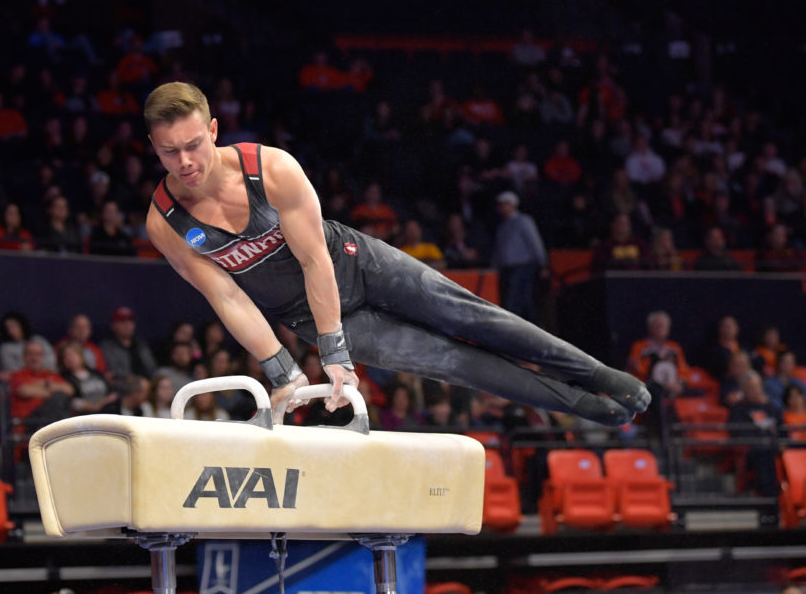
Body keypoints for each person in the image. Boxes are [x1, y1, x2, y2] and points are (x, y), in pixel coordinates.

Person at [142, 82, 649, 426]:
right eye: (170, 151)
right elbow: (226, 296)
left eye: (193, 145)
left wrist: (334, 350)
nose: (185, 162)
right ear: (153, 147)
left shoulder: (270, 169)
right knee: (457, 364)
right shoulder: (165, 222)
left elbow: (315, 258)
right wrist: (282, 370)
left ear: (212, 131)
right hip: (304, 315)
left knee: (479, 320)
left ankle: (598, 374)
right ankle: (586, 406)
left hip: (360, 266)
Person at [491, 191, 548, 322]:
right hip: (508, 269)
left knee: (516, 300)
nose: (501, 207)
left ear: (513, 205)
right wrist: (494, 268)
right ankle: (532, 326)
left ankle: (522, 328)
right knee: (522, 300)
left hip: (524, 266)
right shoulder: (502, 226)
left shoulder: (523, 221)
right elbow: (499, 250)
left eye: (504, 204)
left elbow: (535, 242)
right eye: (500, 205)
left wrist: (543, 264)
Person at [9, 340, 74, 424]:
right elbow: (24, 391)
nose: (34, 358)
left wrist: (44, 384)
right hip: (29, 421)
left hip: (50, 418)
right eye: (30, 354)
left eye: (38, 354)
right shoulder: (17, 375)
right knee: (60, 396)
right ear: (24, 357)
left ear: (42, 357)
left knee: (62, 398)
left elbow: (69, 390)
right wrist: (52, 391)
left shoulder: (50, 374)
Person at [99, 306, 156, 381]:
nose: (127, 325)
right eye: (122, 321)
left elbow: (152, 367)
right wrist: (137, 380)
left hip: (148, 382)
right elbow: (113, 371)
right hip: (124, 383)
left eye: (130, 321)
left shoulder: (141, 345)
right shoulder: (107, 346)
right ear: (113, 325)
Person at [57, 341, 114, 413]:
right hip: (85, 415)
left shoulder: (95, 373)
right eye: (65, 356)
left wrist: (103, 402)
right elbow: (72, 402)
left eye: (72, 355)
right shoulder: (63, 378)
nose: (69, 359)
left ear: (81, 355)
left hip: (108, 408)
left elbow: (112, 393)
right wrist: (94, 407)